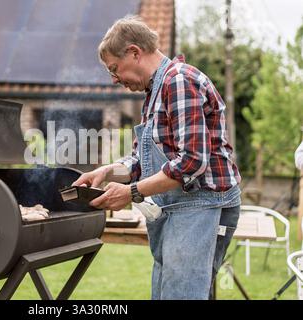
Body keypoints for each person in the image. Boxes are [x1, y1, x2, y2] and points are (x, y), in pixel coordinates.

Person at [73, 16, 242, 300]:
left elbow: (192, 161)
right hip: (178, 209)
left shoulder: (178, 81)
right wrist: (106, 172)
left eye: (115, 69)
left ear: (135, 52)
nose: (114, 80)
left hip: (201, 206)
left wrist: (131, 192)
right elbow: (141, 159)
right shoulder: (155, 90)